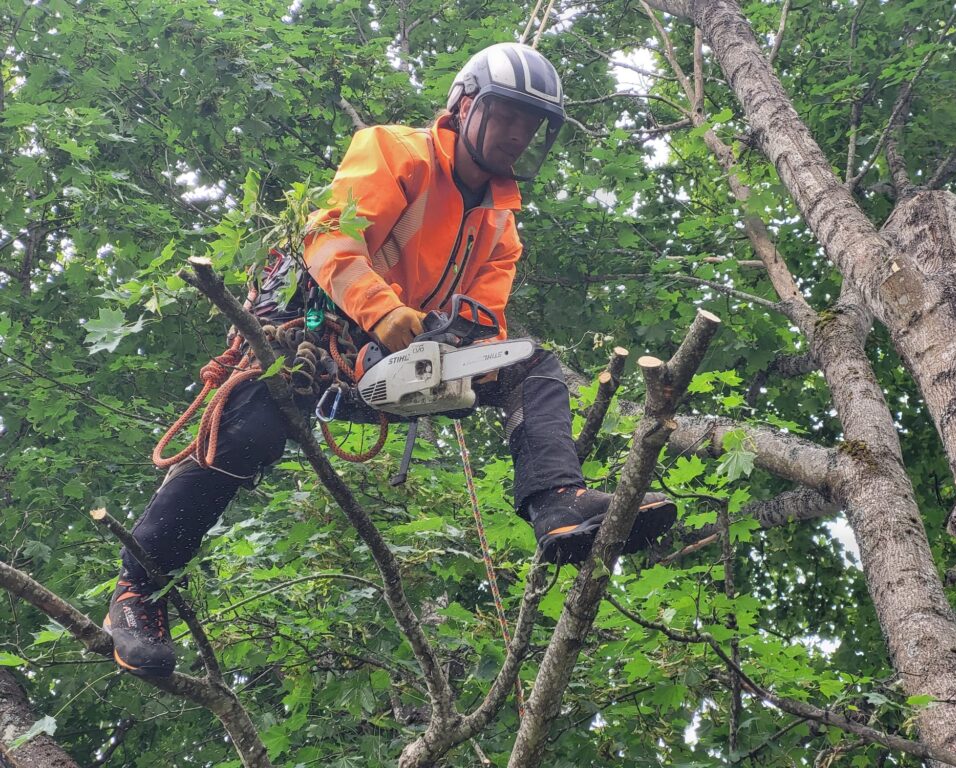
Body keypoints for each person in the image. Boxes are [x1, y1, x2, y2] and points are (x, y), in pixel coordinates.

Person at [104, 43, 677, 678]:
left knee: (529, 365)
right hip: (317, 336)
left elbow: (489, 318)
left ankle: (556, 501)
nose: (519, 134)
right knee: (250, 429)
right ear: (463, 108)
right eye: (508, 116)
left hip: (406, 358)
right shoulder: (395, 151)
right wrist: (382, 311)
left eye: (531, 124)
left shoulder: (501, 221)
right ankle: (138, 590)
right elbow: (330, 237)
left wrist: (458, 342)